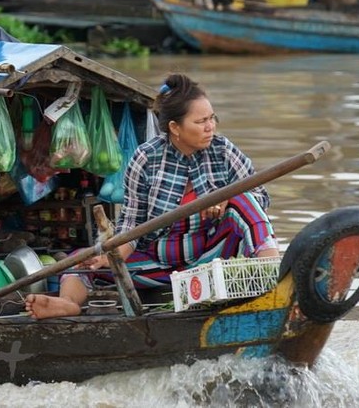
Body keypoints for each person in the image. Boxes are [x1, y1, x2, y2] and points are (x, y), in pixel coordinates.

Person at [25, 73, 279, 319]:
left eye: (212, 118)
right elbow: (132, 224)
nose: (210, 127)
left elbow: (260, 197)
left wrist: (225, 197)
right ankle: (68, 304)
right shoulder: (146, 158)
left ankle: (271, 275)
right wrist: (108, 257)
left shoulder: (223, 150)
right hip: (159, 264)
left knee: (243, 198)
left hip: (213, 258)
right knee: (77, 262)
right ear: (174, 128)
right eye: (201, 122)